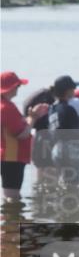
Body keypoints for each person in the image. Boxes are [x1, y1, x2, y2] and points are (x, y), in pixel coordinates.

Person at [1, 72, 48, 202]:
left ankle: (10, 214)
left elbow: (18, 127)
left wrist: (31, 117)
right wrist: (33, 118)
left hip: (7, 156)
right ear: (11, 88)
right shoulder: (7, 108)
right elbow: (22, 134)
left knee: (10, 195)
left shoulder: (4, 105)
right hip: (12, 157)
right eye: (17, 86)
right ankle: (11, 215)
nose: (18, 88)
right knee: (12, 197)